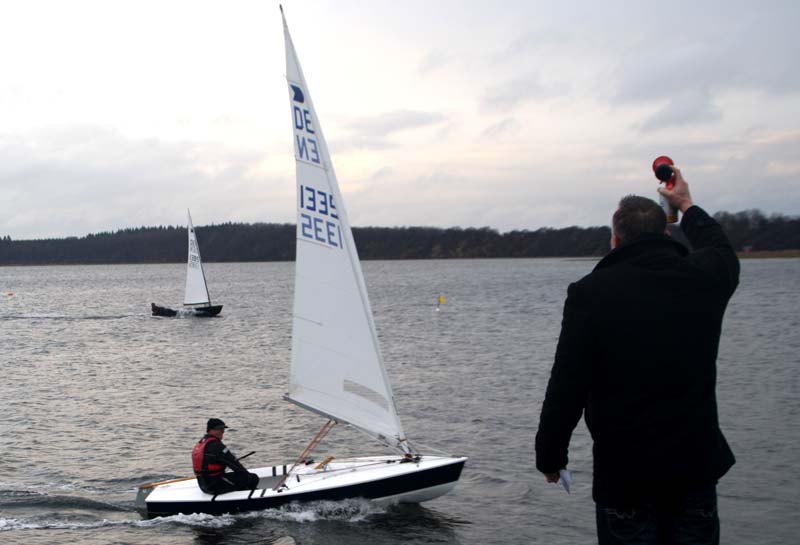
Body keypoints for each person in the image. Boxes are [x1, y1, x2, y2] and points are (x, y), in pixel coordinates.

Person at [535, 166, 739, 545]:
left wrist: (550, 456)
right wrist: (688, 205)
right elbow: (721, 250)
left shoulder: (591, 294)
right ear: (666, 233)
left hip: (625, 479)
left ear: (615, 239)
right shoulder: (705, 278)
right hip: (694, 471)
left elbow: (568, 385)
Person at [192, 418, 259, 495]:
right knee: (252, 478)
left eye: (223, 430)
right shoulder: (217, 446)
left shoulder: (201, 443)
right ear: (212, 430)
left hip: (203, 485)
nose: (222, 432)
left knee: (239, 477)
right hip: (215, 486)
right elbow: (236, 467)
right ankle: (250, 498)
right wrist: (248, 477)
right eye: (220, 429)